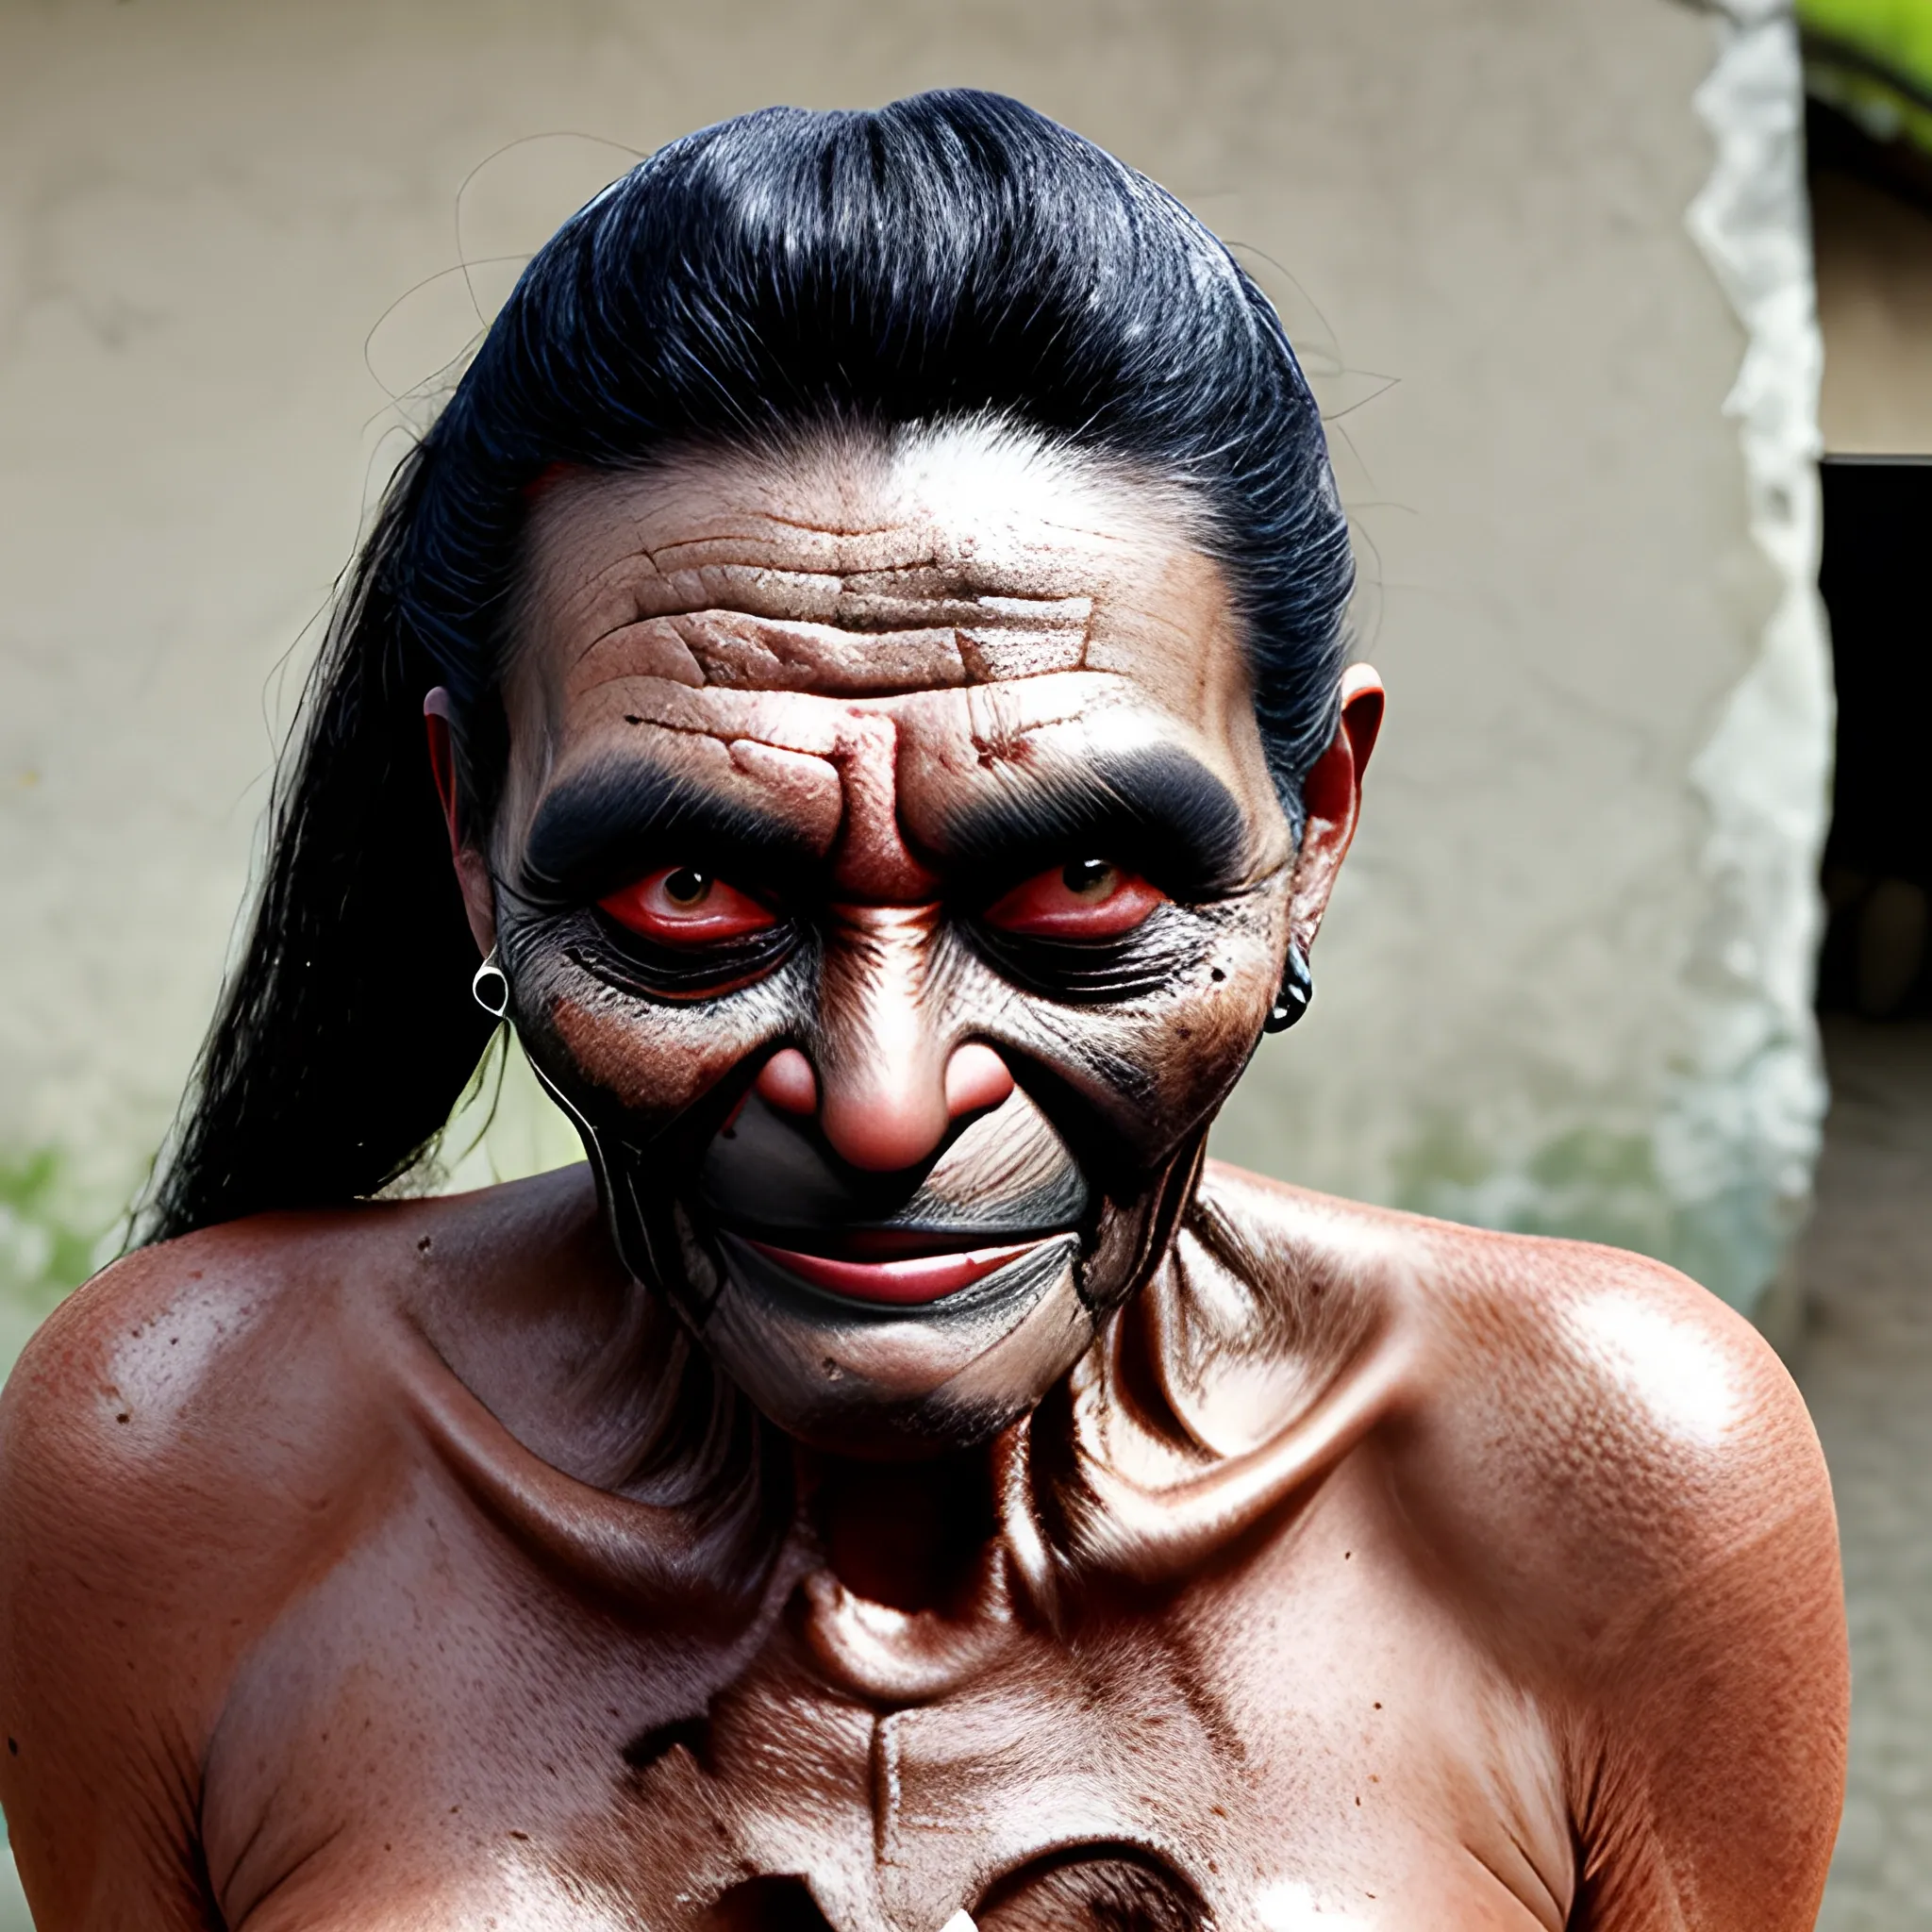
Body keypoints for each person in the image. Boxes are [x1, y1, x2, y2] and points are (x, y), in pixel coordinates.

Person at [0, 91, 1844, 1932]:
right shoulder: (183, 1457)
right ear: (474, 845)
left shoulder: (1610, 1494)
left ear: (1314, 832)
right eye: (693, 894)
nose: (883, 1106)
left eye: (1077, 886)